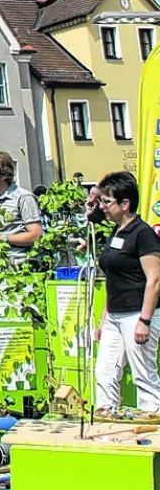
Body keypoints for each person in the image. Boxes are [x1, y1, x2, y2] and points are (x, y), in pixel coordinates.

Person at [94, 171, 160, 414]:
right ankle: (107, 416)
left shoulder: (143, 234)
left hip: (137, 314)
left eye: (107, 202)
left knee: (144, 374)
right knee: (105, 371)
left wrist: (145, 321)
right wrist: (104, 317)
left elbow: (154, 280)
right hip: (115, 314)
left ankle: (153, 423)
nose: (103, 207)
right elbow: (114, 279)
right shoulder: (116, 232)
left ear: (125, 204)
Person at [0, 151, 43, 264]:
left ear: (4, 175)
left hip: (20, 266)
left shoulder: (24, 198)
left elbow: (36, 235)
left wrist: (2, 238)